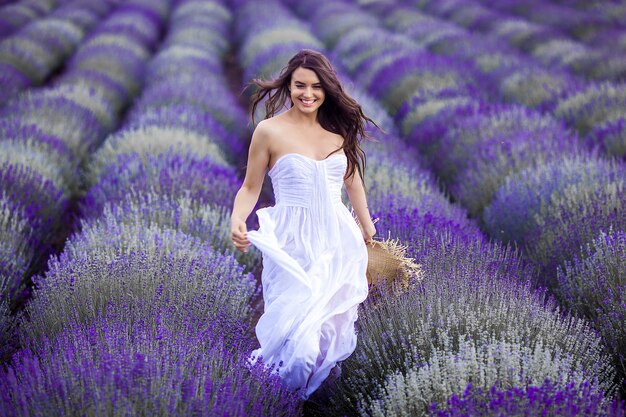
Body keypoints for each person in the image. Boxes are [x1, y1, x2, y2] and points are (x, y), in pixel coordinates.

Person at [229, 49, 377, 400]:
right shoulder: (269, 131)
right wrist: (237, 219)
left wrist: (368, 231)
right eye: (299, 86)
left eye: (315, 87)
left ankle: (314, 403)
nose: (307, 94)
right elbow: (250, 187)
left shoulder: (338, 131)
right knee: (298, 332)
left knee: (327, 329)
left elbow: (353, 183)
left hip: (337, 239)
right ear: (289, 86)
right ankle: (279, 397)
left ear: (327, 90)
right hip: (292, 241)